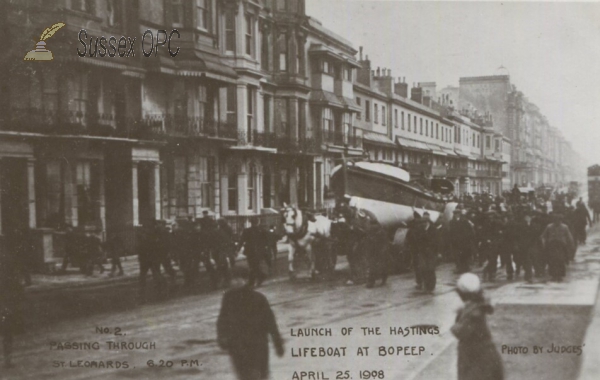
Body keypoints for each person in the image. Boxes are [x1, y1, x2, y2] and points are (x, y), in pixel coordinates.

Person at [217, 282, 284, 380]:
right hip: (240, 349)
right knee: (247, 376)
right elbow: (222, 320)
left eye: (238, 278)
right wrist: (222, 337)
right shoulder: (228, 298)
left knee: (257, 376)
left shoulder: (258, 298)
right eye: (233, 278)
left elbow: (270, 322)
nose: (234, 281)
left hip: (256, 347)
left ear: (245, 279)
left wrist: (277, 343)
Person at [451, 273, 504, 380]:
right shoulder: (477, 306)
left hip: (475, 358)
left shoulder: (472, 313)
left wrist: (457, 319)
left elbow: (461, 332)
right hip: (486, 354)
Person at [0, 253, 25, 369]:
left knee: (7, 333)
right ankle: (7, 360)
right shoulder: (9, 265)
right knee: (7, 334)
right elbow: (19, 289)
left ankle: (7, 360)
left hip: (5, 304)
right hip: (7, 305)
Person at [541, 213, 574, 282]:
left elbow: (569, 236)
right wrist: (544, 243)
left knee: (561, 260)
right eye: (555, 220)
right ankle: (553, 275)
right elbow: (543, 236)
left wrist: (571, 244)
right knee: (552, 260)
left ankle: (560, 275)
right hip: (552, 245)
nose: (557, 222)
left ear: (561, 220)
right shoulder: (549, 227)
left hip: (561, 245)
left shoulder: (565, 227)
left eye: (559, 220)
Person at [413, 212, 438, 292]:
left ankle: (431, 286)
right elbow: (417, 240)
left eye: (424, 222)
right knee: (423, 269)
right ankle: (426, 285)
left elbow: (438, 241)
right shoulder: (420, 229)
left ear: (428, 222)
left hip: (431, 252)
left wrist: (438, 252)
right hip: (422, 252)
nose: (423, 224)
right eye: (422, 222)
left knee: (430, 269)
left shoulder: (433, 229)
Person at [239, 218, 268, 287]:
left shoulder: (246, 231)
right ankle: (260, 276)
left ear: (250, 223)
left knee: (252, 266)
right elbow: (267, 240)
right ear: (258, 222)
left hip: (250, 251)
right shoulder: (262, 230)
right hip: (259, 251)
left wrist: (237, 249)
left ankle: (252, 281)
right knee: (255, 266)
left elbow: (241, 241)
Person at [449, 209, 476, 274]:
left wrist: (468, 238)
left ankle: (465, 267)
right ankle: (459, 267)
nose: (456, 215)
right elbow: (450, 232)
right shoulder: (452, 222)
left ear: (460, 214)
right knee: (457, 255)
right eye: (455, 214)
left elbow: (470, 231)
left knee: (465, 254)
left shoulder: (465, 221)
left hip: (464, 241)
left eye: (458, 213)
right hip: (455, 241)